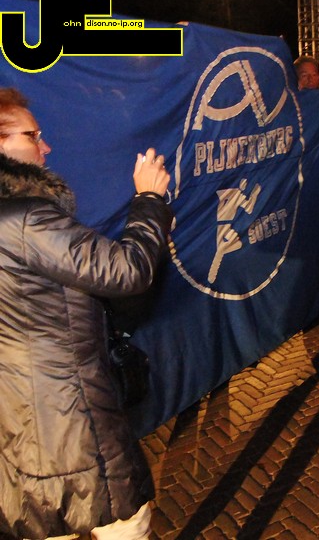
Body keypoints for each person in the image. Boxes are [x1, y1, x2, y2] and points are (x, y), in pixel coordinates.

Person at [0, 87, 173, 539]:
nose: (46, 146)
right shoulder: (25, 220)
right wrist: (150, 199)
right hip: (65, 417)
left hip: (17, 422)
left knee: (39, 519)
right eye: (32, 135)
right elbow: (128, 270)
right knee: (125, 524)